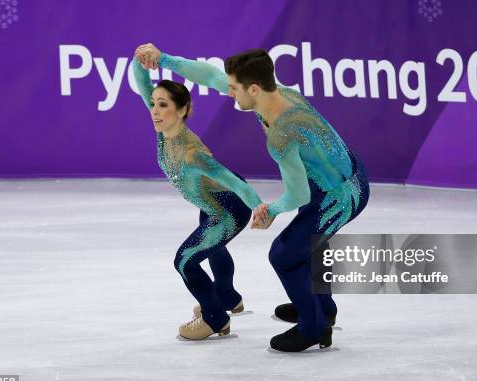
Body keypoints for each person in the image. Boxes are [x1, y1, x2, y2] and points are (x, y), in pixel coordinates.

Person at [136, 43, 369, 352]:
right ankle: (321, 309)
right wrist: (164, 59)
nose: (229, 92)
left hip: (342, 195)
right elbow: (209, 76)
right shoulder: (278, 93)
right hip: (330, 181)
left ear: (254, 89)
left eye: (235, 88)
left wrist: (269, 209)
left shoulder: (282, 135)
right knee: (306, 244)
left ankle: (314, 327)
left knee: (284, 255)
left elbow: (297, 194)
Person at [131, 52, 263, 340]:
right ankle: (228, 298)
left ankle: (216, 319)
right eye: (154, 103)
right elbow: (142, 82)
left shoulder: (194, 154)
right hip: (210, 201)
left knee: (185, 261)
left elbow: (234, 183)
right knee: (215, 248)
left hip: (229, 208)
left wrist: (260, 208)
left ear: (182, 110)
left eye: (163, 105)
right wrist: (139, 59)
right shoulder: (163, 128)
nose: (154, 109)